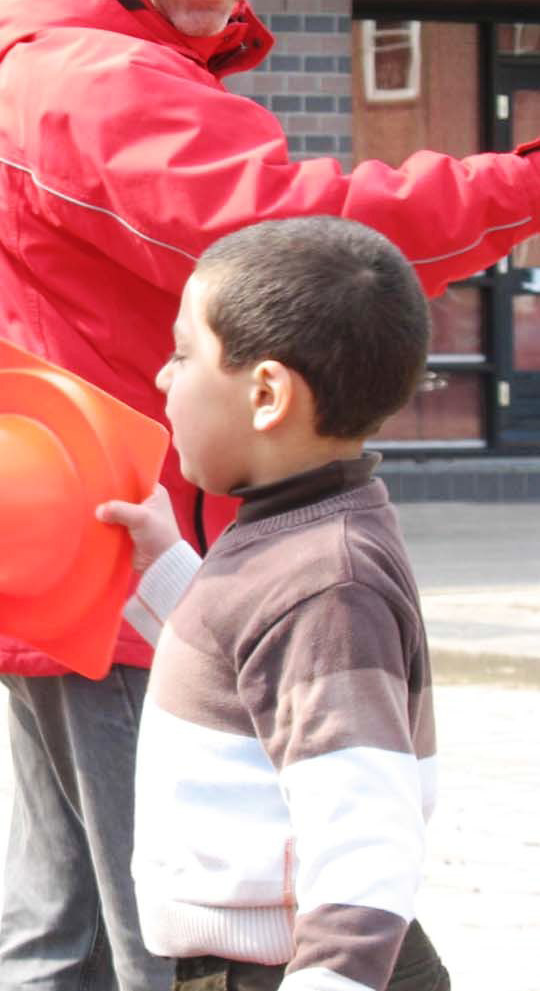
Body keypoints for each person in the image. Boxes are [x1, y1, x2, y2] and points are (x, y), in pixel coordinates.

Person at [0, 0, 540, 991]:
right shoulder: (90, 83)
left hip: (93, 550)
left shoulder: (101, 57)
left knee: (60, 936)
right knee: (173, 938)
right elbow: (304, 247)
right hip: (118, 572)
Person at [97, 216, 449, 991]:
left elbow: (366, 832)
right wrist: (162, 570)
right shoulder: (294, 532)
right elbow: (249, 667)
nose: (163, 377)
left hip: (298, 967)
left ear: (266, 393)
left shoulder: (329, 582)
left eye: (184, 354)